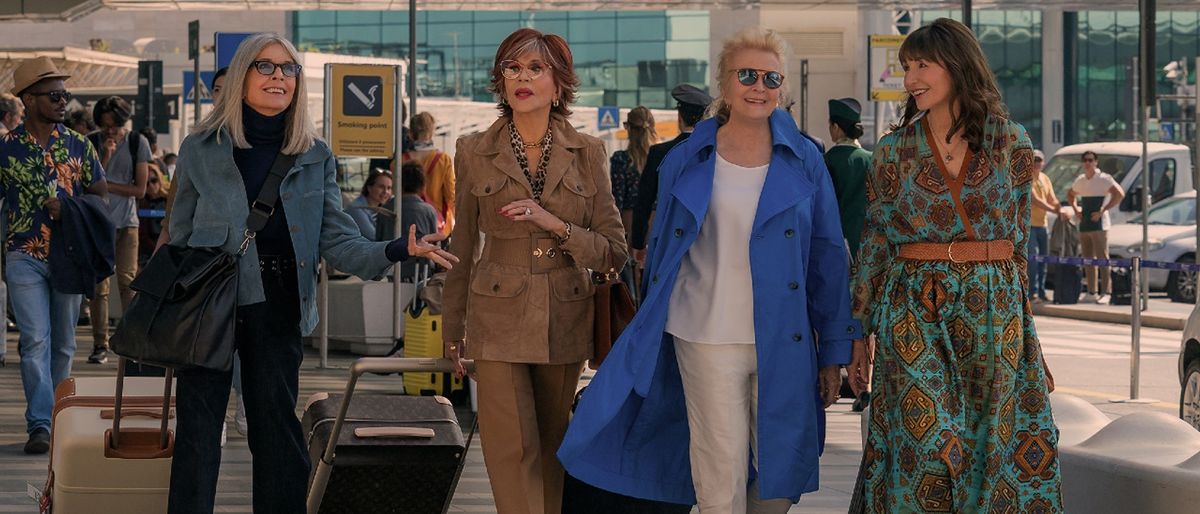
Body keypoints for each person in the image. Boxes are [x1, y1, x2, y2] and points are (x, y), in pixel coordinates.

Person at [560, 28, 862, 513]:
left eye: (770, 77)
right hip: (701, 332)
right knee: (717, 471)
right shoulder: (686, 157)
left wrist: (835, 349)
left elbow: (827, 256)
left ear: (781, 88)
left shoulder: (806, 158)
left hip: (783, 335)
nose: (758, 86)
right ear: (724, 83)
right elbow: (660, 251)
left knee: (783, 471)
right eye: (746, 74)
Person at [165, 33, 456, 513]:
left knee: (277, 434)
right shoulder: (202, 148)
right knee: (198, 435)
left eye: (289, 69)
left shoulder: (314, 153)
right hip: (208, 307)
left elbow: (337, 240)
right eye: (266, 66)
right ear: (241, 76)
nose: (279, 76)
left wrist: (395, 248)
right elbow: (179, 238)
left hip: (277, 304)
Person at [847, 18, 1061, 512]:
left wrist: (1029, 334)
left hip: (993, 308)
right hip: (912, 310)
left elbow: (1017, 242)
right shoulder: (892, 152)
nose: (910, 79)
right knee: (926, 444)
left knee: (992, 446)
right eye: (906, 67)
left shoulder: (1012, 142)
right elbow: (875, 244)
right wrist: (858, 333)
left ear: (958, 66)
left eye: (922, 65)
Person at [441, 27, 626, 514]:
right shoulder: (473, 149)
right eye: (512, 67)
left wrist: (555, 224)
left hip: (565, 312)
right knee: (509, 445)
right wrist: (451, 328)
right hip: (495, 313)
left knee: (552, 444)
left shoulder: (588, 152)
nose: (522, 77)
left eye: (536, 68)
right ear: (500, 80)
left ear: (559, 82)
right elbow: (462, 248)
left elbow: (613, 252)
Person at [1, 56, 108, 454]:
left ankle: (59, 414)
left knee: (63, 344)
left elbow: (101, 196)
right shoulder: (5, 149)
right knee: (34, 341)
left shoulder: (79, 144)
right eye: (54, 95)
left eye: (65, 94)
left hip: (69, 254)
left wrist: (71, 207)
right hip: (22, 254)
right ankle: (40, 423)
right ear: (28, 100)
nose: (64, 101)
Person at [85, 96, 151, 364]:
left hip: (127, 223)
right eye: (105, 126)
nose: (110, 131)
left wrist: (106, 185)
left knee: (128, 282)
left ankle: (130, 341)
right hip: (98, 222)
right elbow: (86, 182)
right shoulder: (91, 141)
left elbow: (140, 189)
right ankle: (100, 343)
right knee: (99, 286)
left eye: (114, 125)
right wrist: (105, 156)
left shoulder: (137, 142)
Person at [629, 84, 711, 271]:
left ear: (679, 118)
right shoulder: (713, 153)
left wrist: (639, 244)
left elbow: (643, 202)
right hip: (706, 241)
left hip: (666, 239)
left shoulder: (660, 153)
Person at [609, 105, 656, 297]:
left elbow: (616, 198)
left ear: (628, 128)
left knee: (630, 280)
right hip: (655, 223)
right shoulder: (660, 157)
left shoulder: (621, 159)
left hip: (628, 222)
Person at [1066, 149, 1124, 304]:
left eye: (1091, 160)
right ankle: (1092, 291)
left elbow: (1119, 194)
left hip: (1100, 224)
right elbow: (1070, 194)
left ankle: (1106, 292)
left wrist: (1103, 210)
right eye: (1085, 160)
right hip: (1084, 223)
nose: (1088, 163)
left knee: (1102, 258)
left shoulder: (1104, 179)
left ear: (1096, 162)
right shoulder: (1081, 180)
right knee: (1087, 259)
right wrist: (1075, 209)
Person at [824, 97, 871, 257]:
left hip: (836, 241)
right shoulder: (872, 159)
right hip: (868, 242)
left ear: (836, 127)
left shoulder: (827, 160)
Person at [406, 111, 456, 234]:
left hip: (406, 221)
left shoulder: (400, 162)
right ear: (432, 132)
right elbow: (451, 195)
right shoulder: (443, 160)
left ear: (411, 133)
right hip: (436, 223)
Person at [398, 162, 439, 281]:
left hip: (392, 271)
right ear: (423, 187)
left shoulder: (386, 209)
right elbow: (434, 244)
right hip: (420, 274)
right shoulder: (428, 211)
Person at [1029, 149, 1059, 303]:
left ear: (1043, 163)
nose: (1037, 163)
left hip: (1043, 224)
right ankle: (1032, 292)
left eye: (1039, 160)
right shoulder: (1027, 178)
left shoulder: (1045, 178)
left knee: (1044, 259)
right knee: (1033, 259)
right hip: (1030, 225)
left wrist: (1060, 208)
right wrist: (1054, 209)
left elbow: (1051, 198)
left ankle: (1041, 291)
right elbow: (1035, 200)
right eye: (1034, 160)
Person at [344, 168, 394, 240]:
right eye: (381, 187)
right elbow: (375, 238)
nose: (386, 191)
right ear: (369, 188)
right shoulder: (356, 209)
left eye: (389, 188)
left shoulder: (383, 208)